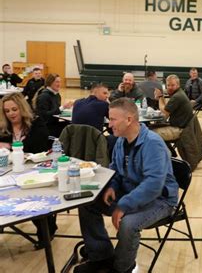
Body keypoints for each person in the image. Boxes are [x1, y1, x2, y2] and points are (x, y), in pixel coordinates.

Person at [74, 98, 179, 273]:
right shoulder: (121, 141)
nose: (109, 123)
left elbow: (153, 185)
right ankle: (102, 257)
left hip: (161, 199)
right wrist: (112, 186)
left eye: (113, 119)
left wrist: (124, 205)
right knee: (87, 202)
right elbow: (115, 168)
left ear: (129, 120)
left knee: (128, 224)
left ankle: (121, 268)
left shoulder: (152, 144)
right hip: (132, 192)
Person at [0, 93, 56, 249]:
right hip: (10, 170)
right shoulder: (4, 126)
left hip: (36, 169)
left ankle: (46, 229)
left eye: (14, 109)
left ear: (22, 108)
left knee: (31, 196)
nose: (11, 114)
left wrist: (11, 147)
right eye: (7, 111)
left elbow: (38, 145)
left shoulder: (36, 122)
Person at [154, 75, 194, 141]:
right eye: (168, 85)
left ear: (178, 85)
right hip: (181, 127)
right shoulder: (179, 93)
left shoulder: (177, 96)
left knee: (149, 134)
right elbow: (166, 109)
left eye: (172, 85)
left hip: (180, 130)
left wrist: (160, 96)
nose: (169, 87)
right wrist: (161, 97)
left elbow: (165, 112)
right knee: (152, 128)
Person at [34, 73, 74, 137]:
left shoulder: (57, 95)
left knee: (72, 125)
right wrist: (62, 107)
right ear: (50, 82)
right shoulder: (44, 96)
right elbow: (44, 116)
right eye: (57, 82)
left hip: (53, 123)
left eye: (60, 82)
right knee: (70, 128)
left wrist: (65, 109)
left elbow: (56, 112)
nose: (59, 84)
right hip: (46, 127)